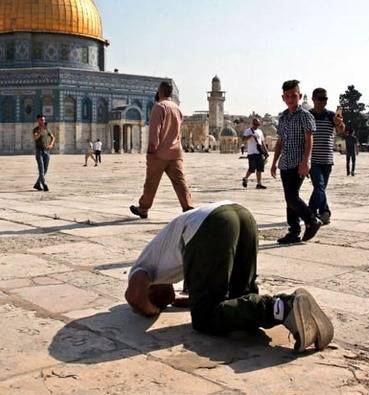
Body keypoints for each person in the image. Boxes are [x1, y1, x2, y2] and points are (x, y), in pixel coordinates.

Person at [124, 201, 334, 353]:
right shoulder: (165, 263)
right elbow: (198, 270)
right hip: (240, 214)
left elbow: (134, 296)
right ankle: (293, 311)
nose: (164, 303)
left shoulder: (142, 268)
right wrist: (192, 299)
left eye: (158, 301)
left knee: (204, 318)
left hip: (212, 226)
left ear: (150, 289)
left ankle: (282, 306)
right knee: (239, 301)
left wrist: (150, 311)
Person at [129, 81, 193, 218]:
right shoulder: (177, 109)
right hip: (175, 153)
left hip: (159, 153)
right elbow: (178, 133)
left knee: (151, 183)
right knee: (180, 182)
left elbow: (154, 131)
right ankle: (189, 209)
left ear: (161, 91)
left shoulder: (159, 107)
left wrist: (151, 150)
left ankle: (143, 208)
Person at [270, 80, 322, 244]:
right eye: (287, 96)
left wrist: (306, 161)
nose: (291, 99)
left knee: (292, 197)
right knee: (289, 198)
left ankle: (312, 220)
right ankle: (294, 231)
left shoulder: (305, 116)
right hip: (285, 163)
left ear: (299, 96)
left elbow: (309, 140)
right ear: (283, 98)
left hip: (298, 163)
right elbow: (280, 141)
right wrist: (274, 162)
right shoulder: (283, 117)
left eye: (294, 95)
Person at [308, 88, 344, 225]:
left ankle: (324, 212)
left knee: (321, 188)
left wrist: (339, 123)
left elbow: (341, 130)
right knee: (319, 187)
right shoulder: (308, 115)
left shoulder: (331, 115)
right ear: (313, 99)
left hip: (327, 159)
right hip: (313, 159)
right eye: (320, 98)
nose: (323, 101)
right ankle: (311, 212)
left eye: (325, 99)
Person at [241, 118, 267, 189]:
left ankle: (259, 184)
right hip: (252, 153)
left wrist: (266, 151)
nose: (256, 126)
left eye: (258, 124)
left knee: (259, 169)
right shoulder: (248, 131)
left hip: (259, 152)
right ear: (252, 124)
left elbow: (262, 142)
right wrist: (251, 136)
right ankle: (246, 178)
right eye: (255, 124)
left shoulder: (260, 131)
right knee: (252, 169)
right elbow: (243, 139)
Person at [32, 114, 55, 191]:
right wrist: (40, 132)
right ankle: (44, 184)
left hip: (47, 151)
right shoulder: (36, 129)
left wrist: (51, 144)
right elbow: (35, 137)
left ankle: (37, 184)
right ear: (38, 120)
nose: (43, 121)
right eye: (41, 120)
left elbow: (53, 137)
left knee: (45, 169)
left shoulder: (47, 129)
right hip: (39, 151)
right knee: (41, 169)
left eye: (44, 120)